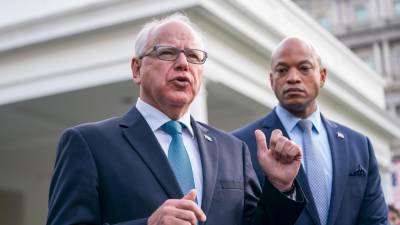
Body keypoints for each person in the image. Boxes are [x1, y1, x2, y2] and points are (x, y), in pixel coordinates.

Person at [46, 14, 306, 225]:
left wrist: (281, 188)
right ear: (137, 69)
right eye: (168, 52)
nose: (183, 63)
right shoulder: (89, 144)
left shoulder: (233, 150)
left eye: (193, 56)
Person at [232, 37, 388, 225]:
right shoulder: (238, 146)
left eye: (304, 68)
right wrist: (280, 189)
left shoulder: (359, 146)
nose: (293, 78)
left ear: (322, 76)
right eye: (282, 70)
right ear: (272, 80)